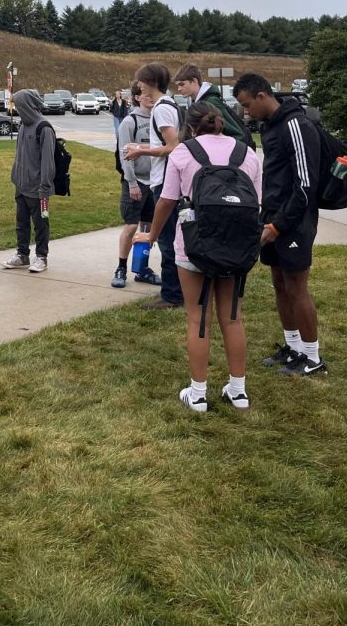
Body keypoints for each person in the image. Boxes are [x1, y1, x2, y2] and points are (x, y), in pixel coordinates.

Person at [134, 101, 262, 412]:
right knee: (233, 318)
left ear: (190, 127)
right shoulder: (248, 154)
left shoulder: (183, 152)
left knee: (197, 317)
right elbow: (256, 203)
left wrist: (151, 236)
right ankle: (238, 390)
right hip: (237, 246)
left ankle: (198, 392)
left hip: (193, 246)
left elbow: (167, 201)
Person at [233, 72, 326, 376]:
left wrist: (280, 225)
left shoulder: (296, 125)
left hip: (294, 220)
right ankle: (293, 348)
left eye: (247, 105)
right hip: (271, 215)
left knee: (297, 286)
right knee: (279, 284)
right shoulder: (270, 126)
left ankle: (313, 359)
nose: (246, 111)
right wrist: (267, 219)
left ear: (262, 96)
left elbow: (305, 185)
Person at [124, 63, 184, 309]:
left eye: (141, 81)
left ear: (150, 82)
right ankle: (175, 290)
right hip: (167, 178)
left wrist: (141, 150)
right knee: (170, 238)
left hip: (166, 180)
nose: (139, 85)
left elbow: (173, 146)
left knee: (168, 240)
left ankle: (172, 295)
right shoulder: (168, 105)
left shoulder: (161, 109)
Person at [2, 89, 56, 273]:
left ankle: (41, 257)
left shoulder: (44, 128)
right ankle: (22, 255)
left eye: (18, 105)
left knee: (41, 224)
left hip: (39, 188)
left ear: (26, 106)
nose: (16, 108)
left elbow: (48, 161)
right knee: (21, 223)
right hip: (21, 186)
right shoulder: (23, 126)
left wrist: (45, 187)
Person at [112, 83, 159, 288]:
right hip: (136, 181)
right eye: (145, 95)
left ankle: (142, 268)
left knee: (147, 228)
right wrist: (131, 183)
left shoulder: (159, 119)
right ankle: (121, 267)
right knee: (132, 225)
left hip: (154, 181)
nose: (150, 98)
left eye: (152, 94)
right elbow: (125, 156)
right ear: (137, 98)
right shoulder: (129, 122)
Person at [174, 64, 253, 145]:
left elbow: (237, 134)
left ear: (194, 81)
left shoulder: (211, 102)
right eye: (178, 85)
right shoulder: (197, 102)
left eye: (182, 84)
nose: (179, 89)